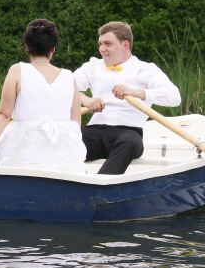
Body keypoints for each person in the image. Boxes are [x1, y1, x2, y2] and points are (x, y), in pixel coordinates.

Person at [0, 19, 86, 175]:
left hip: (25, 148)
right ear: (53, 49)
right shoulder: (69, 77)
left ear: (26, 47)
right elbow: (75, 123)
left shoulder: (18, 70)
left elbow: (3, 114)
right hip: (65, 154)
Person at [73, 21, 181, 174]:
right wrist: (86, 100)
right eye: (100, 44)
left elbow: (174, 97)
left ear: (125, 45)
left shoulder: (145, 69)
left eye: (108, 44)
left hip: (128, 132)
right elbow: (66, 87)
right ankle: (75, 184)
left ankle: (102, 185)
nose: (102, 49)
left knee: (129, 143)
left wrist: (136, 92)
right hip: (95, 129)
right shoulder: (92, 66)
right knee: (67, 140)